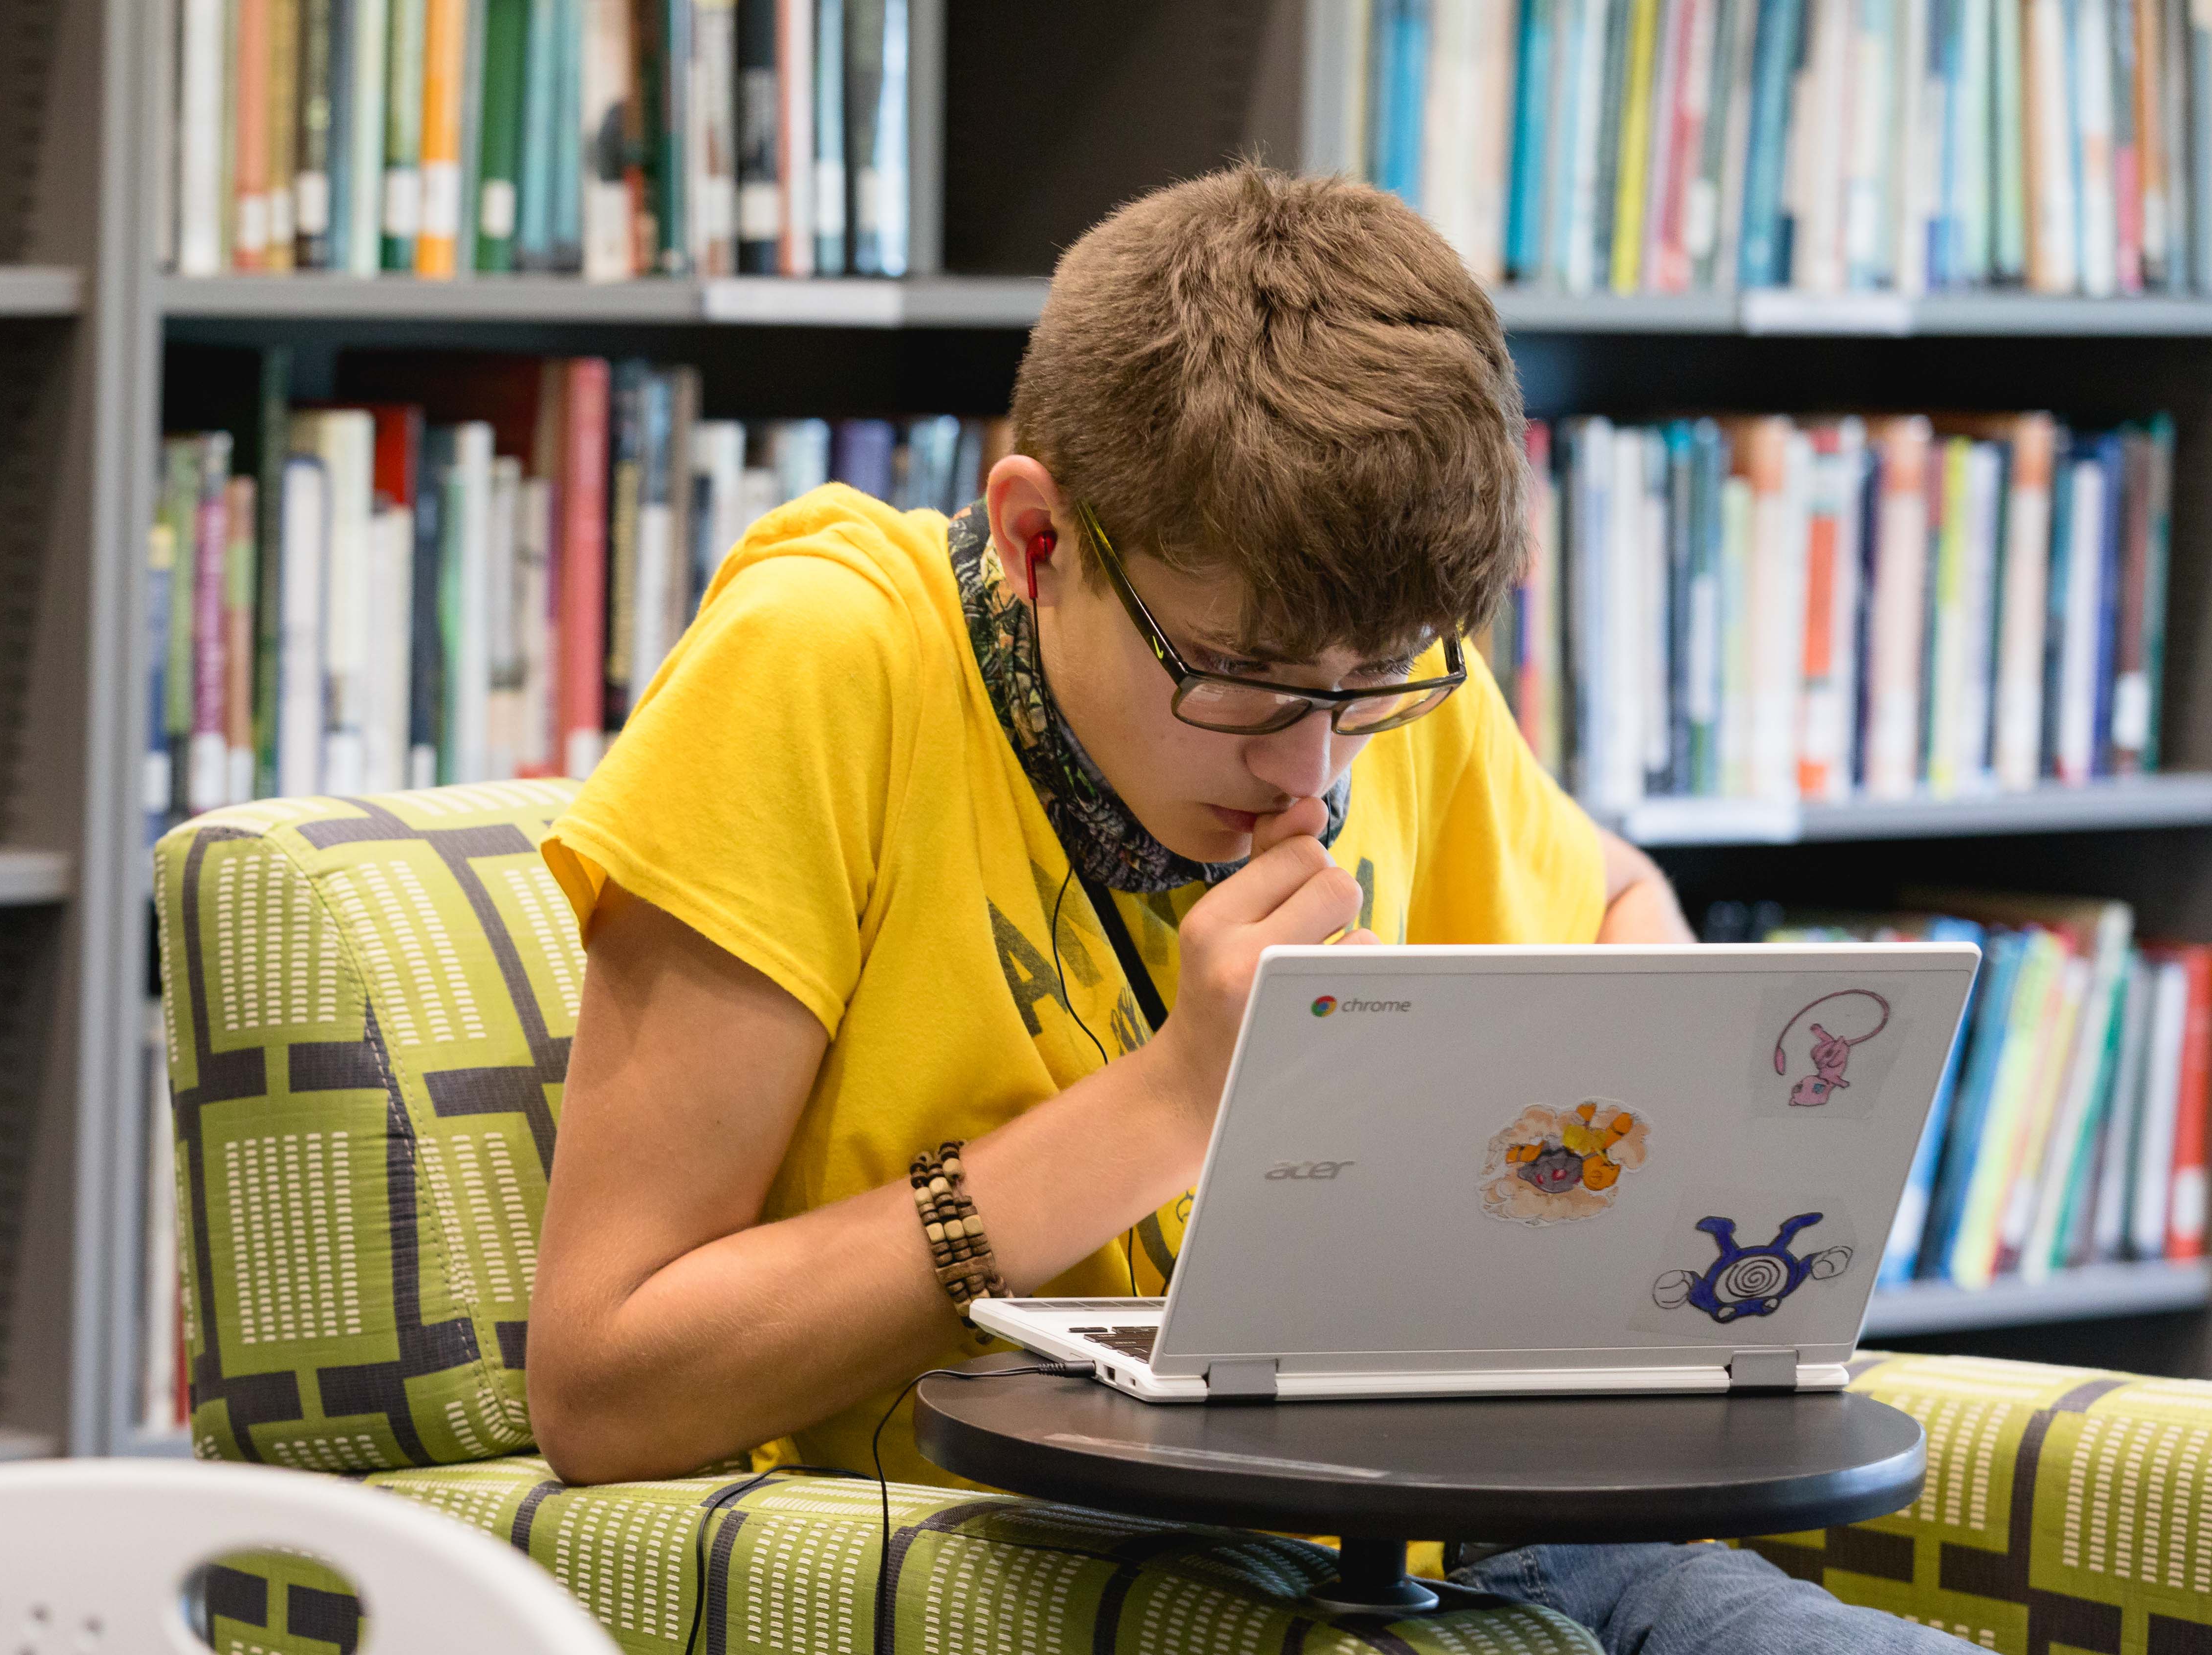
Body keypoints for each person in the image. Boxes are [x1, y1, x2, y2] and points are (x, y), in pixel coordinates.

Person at [522, 164, 1966, 1655]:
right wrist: (1175, 1100)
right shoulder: (829, 665)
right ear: (1040, 541)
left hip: (1490, 1537)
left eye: (1369, 688)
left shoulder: (1388, 696)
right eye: (1242, 676)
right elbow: (605, 1386)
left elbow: (1615, 897)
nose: (1312, 769)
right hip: (1042, 1576)